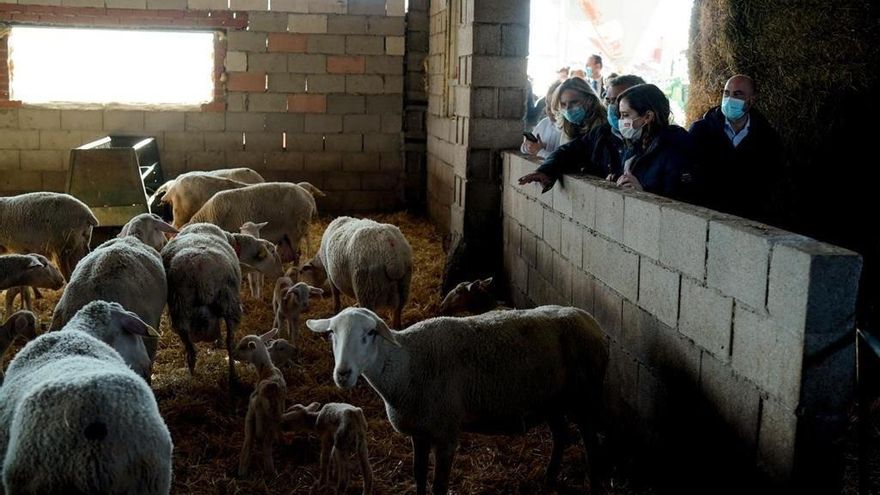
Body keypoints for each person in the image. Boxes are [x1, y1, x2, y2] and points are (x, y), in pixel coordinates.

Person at [516, 74, 646, 193]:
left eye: (618, 100)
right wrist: (545, 171)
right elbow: (568, 151)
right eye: (609, 100)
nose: (613, 106)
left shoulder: (657, 141)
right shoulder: (602, 132)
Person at [688, 74, 785, 225]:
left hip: (747, 220)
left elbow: (771, 182)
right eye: (726, 93)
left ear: (751, 100)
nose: (729, 99)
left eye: (737, 94)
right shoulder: (701, 131)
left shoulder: (767, 138)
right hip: (707, 217)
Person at [613, 83, 696, 199]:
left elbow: (680, 198)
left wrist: (644, 193)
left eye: (625, 115)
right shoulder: (636, 144)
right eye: (620, 116)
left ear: (648, 116)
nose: (621, 121)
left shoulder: (675, 147)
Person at [520, 80, 563, 159]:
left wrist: (540, 151)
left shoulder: (568, 129)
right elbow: (524, 148)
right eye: (547, 104)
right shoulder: (544, 123)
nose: (548, 109)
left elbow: (563, 161)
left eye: (554, 105)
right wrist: (528, 146)